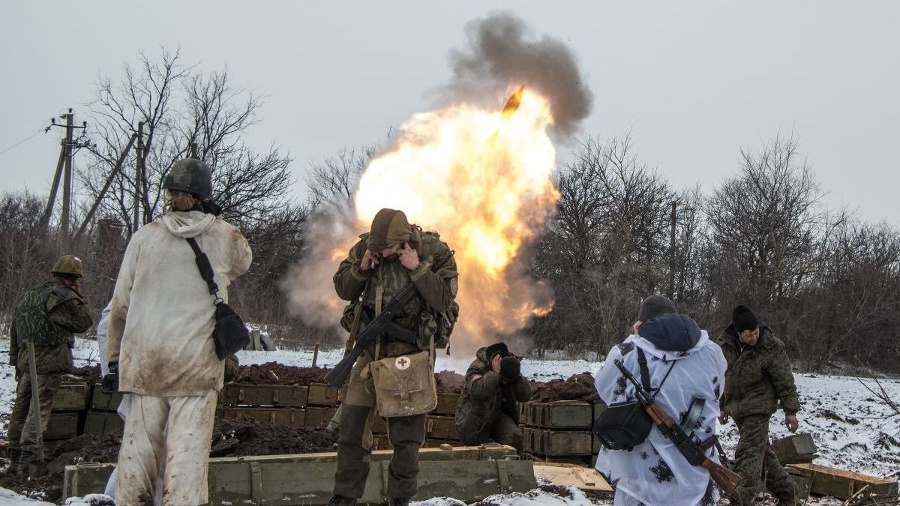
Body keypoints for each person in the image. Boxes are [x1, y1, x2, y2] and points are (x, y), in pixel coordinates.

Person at [105, 158, 252, 506]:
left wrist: (114, 360)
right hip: (194, 367)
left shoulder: (145, 237)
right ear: (205, 195)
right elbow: (244, 261)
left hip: (145, 363)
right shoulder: (225, 235)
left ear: (169, 194)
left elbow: (120, 304)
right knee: (186, 460)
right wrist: (215, 218)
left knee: (138, 456)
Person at [327, 208, 458, 506]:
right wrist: (361, 268)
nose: (380, 253)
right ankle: (344, 497)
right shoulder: (366, 249)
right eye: (376, 247)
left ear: (402, 242)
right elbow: (342, 289)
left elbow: (444, 300)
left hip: (410, 359)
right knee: (351, 431)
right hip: (369, 354)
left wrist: (418, 269)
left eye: (386, 248)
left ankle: (399, 500)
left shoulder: (433, 253)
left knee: (406, 441)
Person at [594, 294, 727, 506]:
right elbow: (716, 393)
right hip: (697, 470)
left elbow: (604, 388)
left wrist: (635, 337)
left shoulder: (630, 350)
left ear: (642, 323)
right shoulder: (712, 351)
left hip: (643, 479)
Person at [7, 255, 93, 475]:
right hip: (50, 361)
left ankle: (14, 455)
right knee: (39, 409)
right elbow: (85, 321)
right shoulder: (61, 297)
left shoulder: (30, 295)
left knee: (21, 407)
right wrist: (75, 294)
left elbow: (15, 330)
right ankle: (29, 458)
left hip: (26, 360)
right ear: (73, 278)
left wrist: (15, 359)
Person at [717, 305, 801, 506]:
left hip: (759, 407)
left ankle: (740, 497)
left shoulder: (770, 346)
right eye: (749, 335)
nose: (754, 338)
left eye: (756, 332)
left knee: (748, 453)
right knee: (762, 456)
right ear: (738, 334)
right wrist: (720, 406)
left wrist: (790, 411)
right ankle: (788, 493)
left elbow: (784, 380)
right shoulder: (724, 346)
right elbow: (720, 377)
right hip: (737, 408)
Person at [454, 342, 531, 451]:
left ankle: (510, 465)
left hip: (498, 416)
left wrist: (516, 376)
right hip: (475, 418)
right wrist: (495, 374)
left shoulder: (509, 365)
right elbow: (478, 390)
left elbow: (526, 395)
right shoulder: (477, 367)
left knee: (514, 437)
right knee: (477, 452)